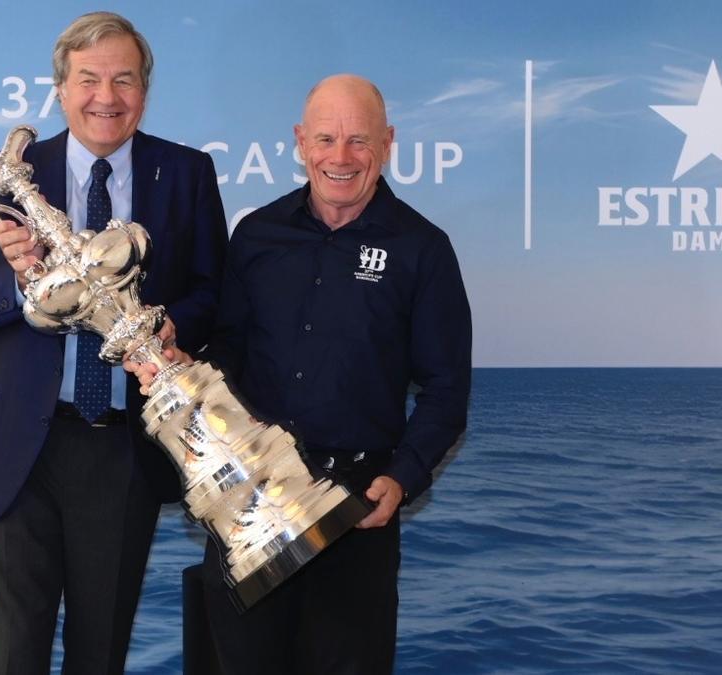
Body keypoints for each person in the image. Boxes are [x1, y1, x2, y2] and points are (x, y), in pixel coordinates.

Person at [128, 74, 471, 674]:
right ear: (300, 142)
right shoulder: (257, 234)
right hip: (248, 498)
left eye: (359, 141)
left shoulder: (423, 249)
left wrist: (403, 477)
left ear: (387, 143)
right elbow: (230, 348)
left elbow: (447, 391)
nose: (341, 158)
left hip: (356, 508)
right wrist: (185, 370)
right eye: (326, 139)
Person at [0, 12, 226, 674]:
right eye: (88, 79)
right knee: (13, 654)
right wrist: (18, 283)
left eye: (124, 79)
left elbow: (216, 296)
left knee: (100, 654)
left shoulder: (185, 174)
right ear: (61, 88)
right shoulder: (5, 177)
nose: (106, 96)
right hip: (23, 451)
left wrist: (172, 324)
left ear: (145, 91)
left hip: (123, 449)